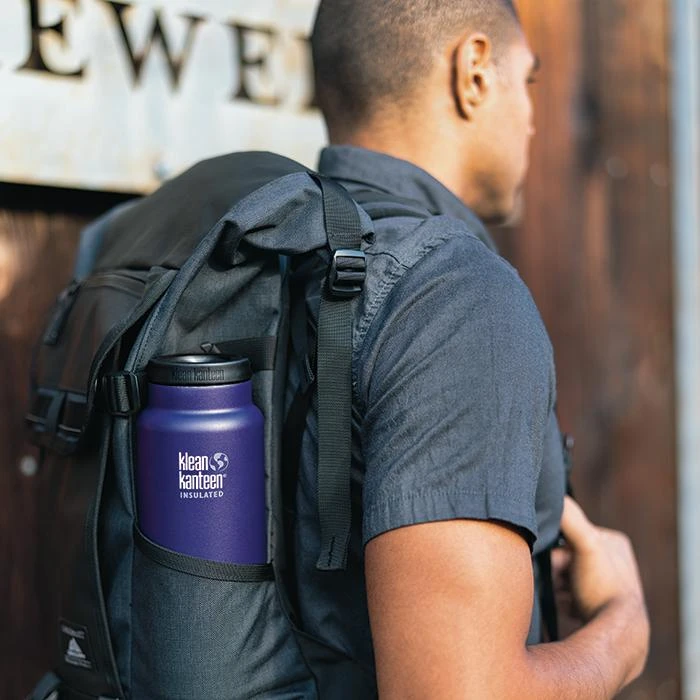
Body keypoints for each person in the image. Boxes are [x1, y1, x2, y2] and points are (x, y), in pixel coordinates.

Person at [284, 0, 651, 697]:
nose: (532, 116)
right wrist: (624, 626)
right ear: (474, 71)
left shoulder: (258, 254)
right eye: (529, 80)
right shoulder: (452, 295)